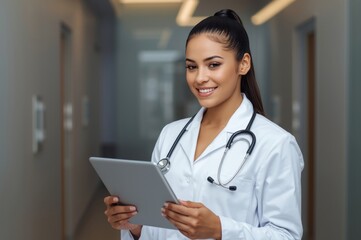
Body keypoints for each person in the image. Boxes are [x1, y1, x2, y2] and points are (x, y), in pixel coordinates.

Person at [104, 9, 304, 240]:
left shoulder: (275, 144)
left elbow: (286, 236)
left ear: (243, 64)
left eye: (213, 64)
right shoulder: (171, 135)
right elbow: (160, 226)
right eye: (191, 66)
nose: (199, 78)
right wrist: (135, 226)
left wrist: (220, 229)